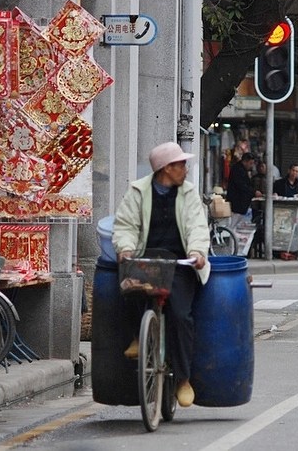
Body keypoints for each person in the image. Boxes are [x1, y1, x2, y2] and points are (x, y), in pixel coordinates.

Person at [112, 142, 211, 408]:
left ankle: (183, 379)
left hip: (180, 263)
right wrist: (126, 248)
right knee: (128, 287)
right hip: (146, 258)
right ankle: (138, 335)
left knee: (180, 316)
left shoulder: (189, 194)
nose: (185, 170)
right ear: (166, 169)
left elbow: (197, 227)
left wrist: (198, 252)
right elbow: (125, 225)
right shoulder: (137, 191)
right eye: (181, 165)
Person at [227, 152, 261, 230]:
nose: (251, 165)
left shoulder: (242, 170)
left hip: (241, 204)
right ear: (245, 161)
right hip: (237, 203)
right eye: (250, 163)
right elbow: (242, 185)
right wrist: (253, 192)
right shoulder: (238, 170)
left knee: (236, 225)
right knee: (233, 225)